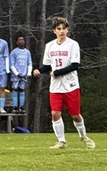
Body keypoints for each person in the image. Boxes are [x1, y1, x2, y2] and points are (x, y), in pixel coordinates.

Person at [34, 16, 95, 149]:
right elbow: (47, 65)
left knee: (75, 115)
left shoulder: (73, 45)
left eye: (64, 28)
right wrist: (39, 70)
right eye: (59, 29)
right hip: (55, 86)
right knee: (55, 113)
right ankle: (61, 141)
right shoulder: (49, 46)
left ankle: (83, 136)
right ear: (54, 31)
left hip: (71, 85)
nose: (62, 31)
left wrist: (57, 72)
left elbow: (74, 65)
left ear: (67, 30)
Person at [9, 35, 33, 113]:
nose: (21, 41)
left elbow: (29, 63)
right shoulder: (14, 52)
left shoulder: (27, 52)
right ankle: (15, 106)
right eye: (19, 40)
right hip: (16, 75)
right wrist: (16, 73)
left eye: (22, 39)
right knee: (15, 89)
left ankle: (21, 106)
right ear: (17, 42)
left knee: (22, 90)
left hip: (24, 75)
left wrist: (29, 72)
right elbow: (11, 64)